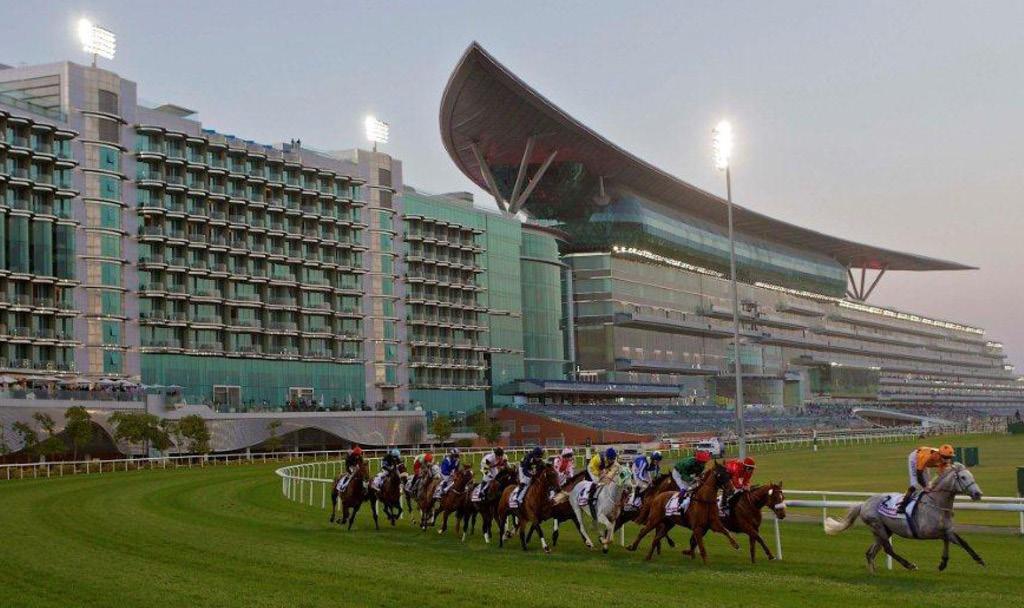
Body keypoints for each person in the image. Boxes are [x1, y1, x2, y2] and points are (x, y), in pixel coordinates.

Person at [898, 444, 954, 514]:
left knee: (929, 485)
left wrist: (932, 485)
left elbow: (940, 476)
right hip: (915, 458)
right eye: (945, 457)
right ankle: (902, 506)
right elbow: (919, 473)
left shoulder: (946, 462)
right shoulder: (927, 456)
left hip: (926, 462)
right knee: (915, 485)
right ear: (940, 454)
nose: (947, 460)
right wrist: (924, 487)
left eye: (949, 457)